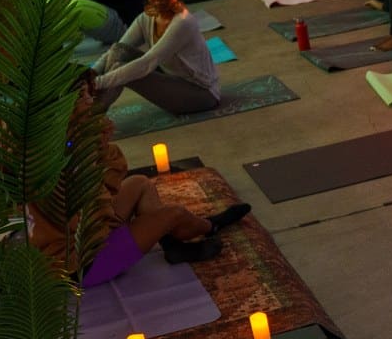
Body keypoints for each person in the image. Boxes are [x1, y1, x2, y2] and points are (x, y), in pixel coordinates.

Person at [32, 82, 252, 279]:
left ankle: (173, 246)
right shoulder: (53, 156)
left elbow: (111, 183)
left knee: (140, 183)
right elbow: (86, 208)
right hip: (81, 262)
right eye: (82, 96)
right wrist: (97, 148)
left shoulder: (69, 138)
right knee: (173, 214)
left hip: (91, 230)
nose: (91, 100)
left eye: (88, 93)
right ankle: (211, 225)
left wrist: (100, 146)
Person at [88, 0, 221, 115]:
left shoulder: (182, 22)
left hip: (202, 93)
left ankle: (90, 114)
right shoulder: (146, 18)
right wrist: (91, 74)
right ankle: (90, 106)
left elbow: (148, 63)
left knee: (123, 70)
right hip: (173, 79)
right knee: (119, 51)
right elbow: (117, 49)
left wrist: (97, 83)